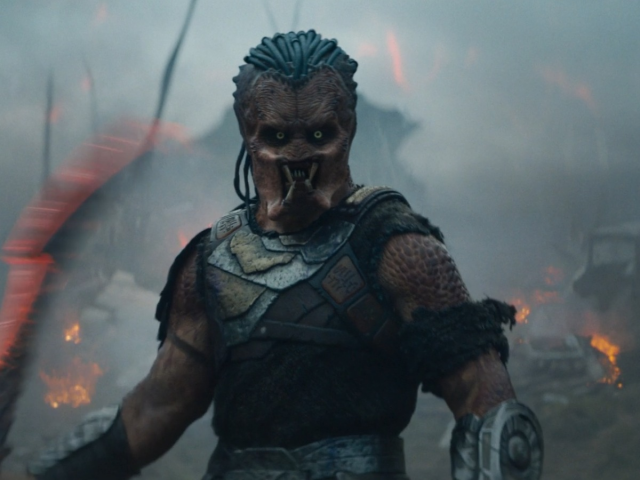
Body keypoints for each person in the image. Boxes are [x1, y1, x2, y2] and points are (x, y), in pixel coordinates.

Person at [28, 31, 543, 480]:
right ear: (247, 131)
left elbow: (492, 417)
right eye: (277, 137)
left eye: (319, 134)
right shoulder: (214, 260)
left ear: (348, 127)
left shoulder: (398, 248)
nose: (298, 155)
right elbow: (155, 410)